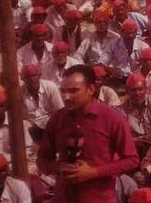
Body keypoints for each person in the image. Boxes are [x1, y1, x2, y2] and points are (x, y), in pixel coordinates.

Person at [38, 64, 139, 202]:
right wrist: (58, 167)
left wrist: (93, 173)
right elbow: (42, 160)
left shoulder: (111, 118)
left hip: (98, 198)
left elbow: (131, 160)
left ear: (90, 89)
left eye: (74, 91)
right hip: (64, 197)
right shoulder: (57, 119)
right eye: (63, 91)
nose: (66, 97)